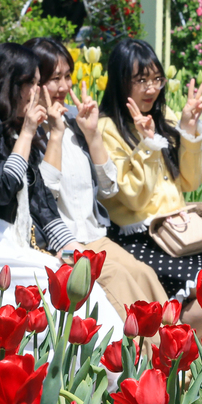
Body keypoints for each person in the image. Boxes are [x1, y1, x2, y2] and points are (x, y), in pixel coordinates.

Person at [0, 42, 121, 343]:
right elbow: (0, 188)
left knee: (79, 284)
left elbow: (39, 197)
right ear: (7, 83)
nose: (36, 91)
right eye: (30, 82)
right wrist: (29, 132)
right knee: (47, 278)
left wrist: (72, 250)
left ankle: (102, 375)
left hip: (0, 240)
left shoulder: (9, 126)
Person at [22, 36, 168, 317]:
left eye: (67, 76)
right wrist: (54, 133)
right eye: (55, 78)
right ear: (34, 80)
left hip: (96, 238)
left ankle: (176, 351)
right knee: (120, 282)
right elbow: (44, 196)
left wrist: (92, 133)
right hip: (59, 245)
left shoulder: (76, 121)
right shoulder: (27, 132)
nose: (65, 87)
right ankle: (147, 357)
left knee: (145, 275)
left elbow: (109, 187)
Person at [98, 38, 202, 322]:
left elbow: (190, 180)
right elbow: (133, 196)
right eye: (141, 80)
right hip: (138, 239)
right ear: (121, 81)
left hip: (177, 234)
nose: (151, 89)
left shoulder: (165, 118)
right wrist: (147, 147)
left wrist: (187, 130)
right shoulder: (106, 129)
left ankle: (182, 353)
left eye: (156, 79)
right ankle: (176, 352)